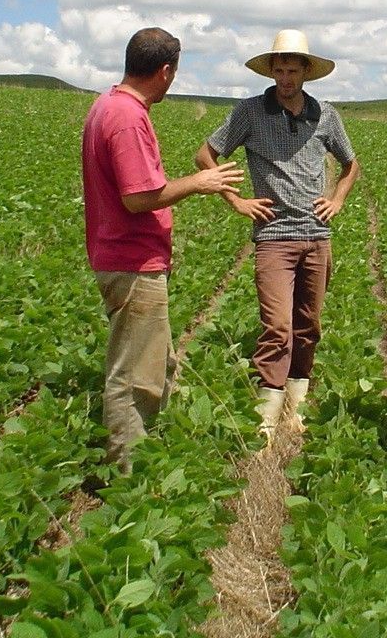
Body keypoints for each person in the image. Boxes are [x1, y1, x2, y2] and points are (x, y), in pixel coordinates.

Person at [82, 27, 244, 472]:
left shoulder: (107, 105)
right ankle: (127, 477)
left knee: (151, 364)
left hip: (120, 257)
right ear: (166, 71)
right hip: (132, 261)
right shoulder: (127, 117)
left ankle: (142, 457)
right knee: (134, 378)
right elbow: (138, 198)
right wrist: (200, 182)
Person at [196, 29, 359, 440]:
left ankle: (295, 409)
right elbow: (206, 155)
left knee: (309, 325)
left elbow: (350, 164)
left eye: (293, 70)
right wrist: (237, 201)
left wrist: (336, 199)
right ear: (270, 71)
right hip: (273, 236)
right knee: (277, 327)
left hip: (317, 235)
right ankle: (264, 423)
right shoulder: (249, 112)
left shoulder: (326, 115)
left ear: (306, 72)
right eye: (279, 70)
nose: (285, 78)